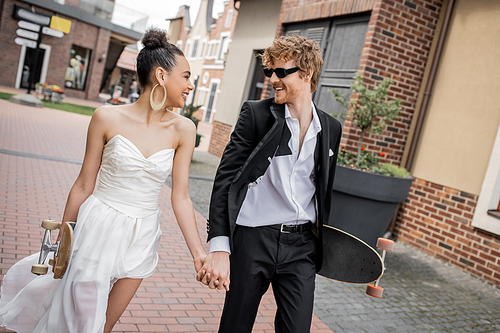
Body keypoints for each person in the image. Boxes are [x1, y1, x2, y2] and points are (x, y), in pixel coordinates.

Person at [0, 27, 206, 333]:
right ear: (162, 76)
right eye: (186, 76)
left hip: (143, 233)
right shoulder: (106, 117)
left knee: (104, 326)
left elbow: (182, 197)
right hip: (97, 227)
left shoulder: (184, 130)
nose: (190, 85)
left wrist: (198, 253)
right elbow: (84, 183)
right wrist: (63, 239)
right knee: (77, 320)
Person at [197, 35, 343, 332]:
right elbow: (225, 180)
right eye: (269, 72)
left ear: (307, 73)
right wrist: (220, 247)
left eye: (281, 72)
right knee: (235, 326)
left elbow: (324, 188)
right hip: (254, 239)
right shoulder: (257, 115)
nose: (272, 79)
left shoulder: (330, 128)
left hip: (301, 246)